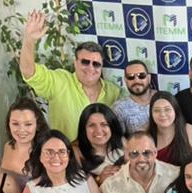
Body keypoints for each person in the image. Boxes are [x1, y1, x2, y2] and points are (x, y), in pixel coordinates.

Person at [19, 10, 120, 140]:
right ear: (75, 63)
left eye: (96, 64)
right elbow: (28, 72)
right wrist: (29, 40)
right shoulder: (59, 81)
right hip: (64, 152)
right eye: (85, 62)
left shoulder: (113, 92)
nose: (90, 68)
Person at [147, 90, 192, 163]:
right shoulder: (145, 134)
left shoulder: (189, 132)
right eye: (157, 110)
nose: (162, 114)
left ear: (175, 111)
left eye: (167, 109)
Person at [0, 98, 49, 187]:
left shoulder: (45, 152)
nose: (21, 130)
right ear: (8, 124)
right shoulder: (7, 146)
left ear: (37, 125)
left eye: (28, 124)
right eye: (15, 124)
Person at [74, 103, 125, 186]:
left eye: (104, 124)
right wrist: (99, 179)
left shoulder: (123, 143)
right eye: (92, 125)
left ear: (112, 126)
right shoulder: (76, 152)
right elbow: (75, 187)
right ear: (83, 129)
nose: (98, 130)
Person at [113, 59, 157, 134]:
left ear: (149, 78)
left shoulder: (163, 99)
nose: (136, 80)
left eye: (141, 76)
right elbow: (118, 138)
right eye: (130, 77)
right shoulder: (119, 109)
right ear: (125, 80)